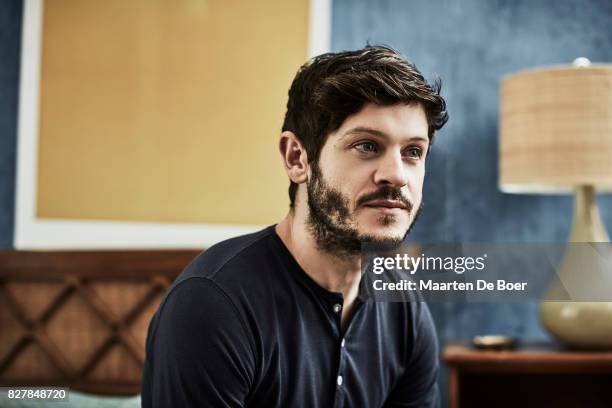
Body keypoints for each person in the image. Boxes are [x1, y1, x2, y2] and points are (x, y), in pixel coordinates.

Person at [141, 45, 448, 407]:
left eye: (413, 152)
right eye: (367, 145)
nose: (396, 175)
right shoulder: (212, 306)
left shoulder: (405, 307)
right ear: (297, 158)